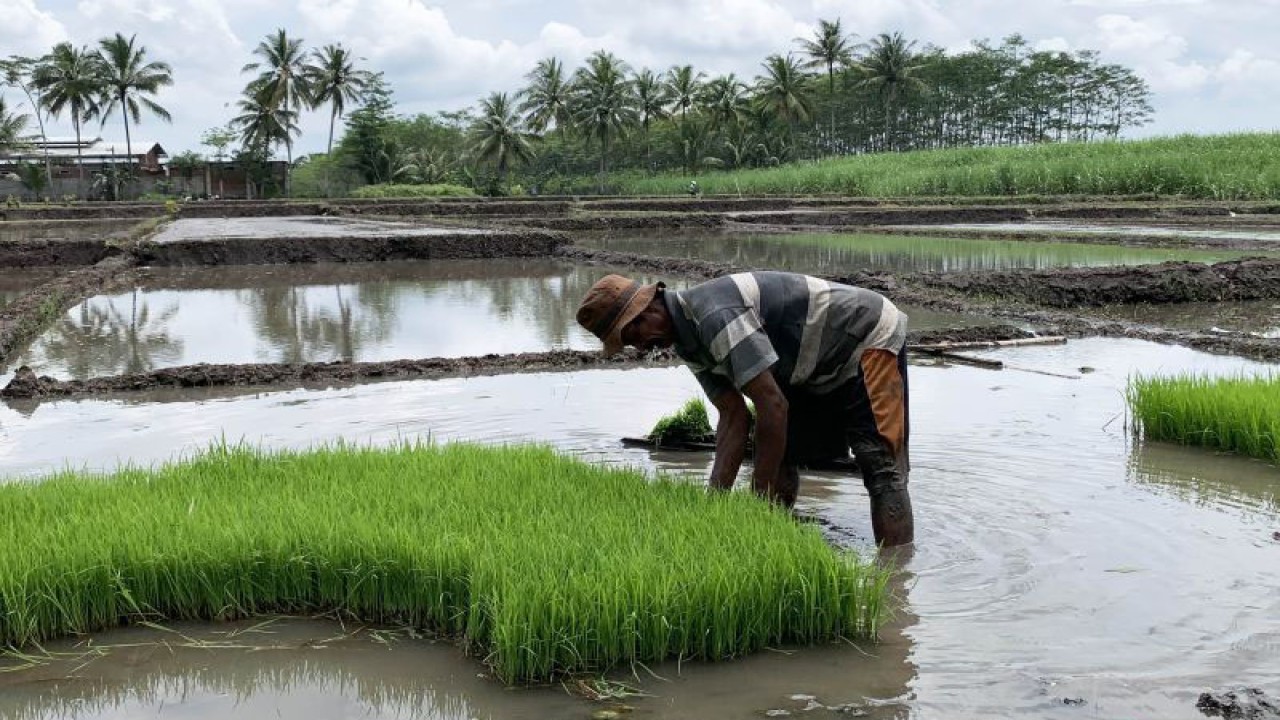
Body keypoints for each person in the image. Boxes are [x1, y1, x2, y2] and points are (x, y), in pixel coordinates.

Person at [576, 271, 914, 546]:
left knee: (880, 467)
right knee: (781, 454)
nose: (638, 347)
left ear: (648, 310)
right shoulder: (688, 342)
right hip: (803, 362)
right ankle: (772, 540)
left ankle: (896, 584)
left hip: (865, 335)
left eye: (632, 336)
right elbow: (733, 415)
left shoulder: (715, 315)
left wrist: (757, 496)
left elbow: (771, 404)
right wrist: (716, 504)